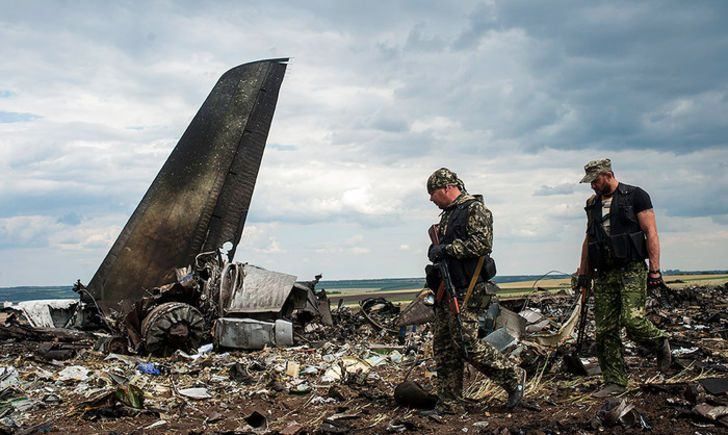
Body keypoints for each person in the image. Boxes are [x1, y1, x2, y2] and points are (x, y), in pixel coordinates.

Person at [425, 168, 526, 412]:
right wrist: (436, 252)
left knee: (466, 343)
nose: (431, 199)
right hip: (447, 288)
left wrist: (446, 250)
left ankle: (512, 377)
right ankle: (449, 402)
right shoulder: (449, 214)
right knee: (444, 346)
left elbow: (481, 245)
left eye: (433, 192)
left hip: (468, 288)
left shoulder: (474, 209)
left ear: (448, 188)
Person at [575, 159, 672, 398]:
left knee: (633, 320)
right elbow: (589, 239)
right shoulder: (592, 204)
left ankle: (659, 341)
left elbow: (651, 232)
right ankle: (615, 382)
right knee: (605, 330)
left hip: (630, 268)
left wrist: (655, 270)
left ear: (608, 175)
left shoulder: (636, 196)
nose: (592, 186)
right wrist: (583, 274)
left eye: (595, 181)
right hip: (604, 272)